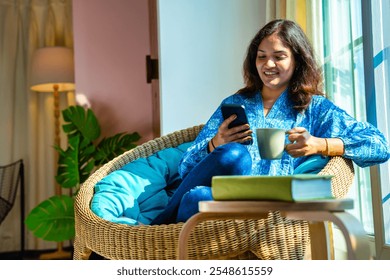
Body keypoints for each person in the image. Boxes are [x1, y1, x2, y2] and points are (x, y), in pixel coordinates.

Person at [150, 19, 390, 225]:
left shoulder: (315, 108)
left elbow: (378, 145)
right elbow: (186, 168)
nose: (268, 65)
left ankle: (157, 227)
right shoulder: (236, 102)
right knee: (227, 161)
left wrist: (320, 145)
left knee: (201, 191)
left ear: (297, 60)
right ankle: (162, 228)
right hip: (226, 201)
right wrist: (214, 144)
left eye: (279, 57)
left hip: (272, 212)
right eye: (261, 57)